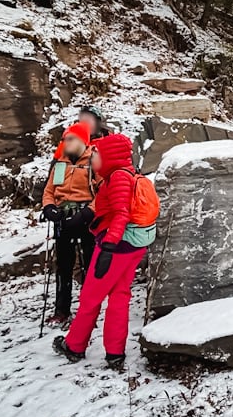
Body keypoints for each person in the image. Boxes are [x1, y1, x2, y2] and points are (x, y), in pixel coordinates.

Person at [53, 132, 159, 371]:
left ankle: (74, 346)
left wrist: (108, 247)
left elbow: (121, 213)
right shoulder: (125, 173)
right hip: (133, 244)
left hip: (118, 245)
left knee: (91, 297)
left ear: (110, 156)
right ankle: (114, 353)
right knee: (120, 296)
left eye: (97, 155)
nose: (93, 159)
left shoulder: (119, 178)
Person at [40, 121, 95, 328]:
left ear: (82, 140)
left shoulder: (94, 162)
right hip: (63, 220)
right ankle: (61, 310)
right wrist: (49, 207)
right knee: (63, 266)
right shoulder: (60, 163)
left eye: (69, 138)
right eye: (63, 139)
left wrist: (89, 212)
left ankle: (88, 310)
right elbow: (49, 191)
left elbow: (104, 193)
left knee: (89, 265)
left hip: (86, 220)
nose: (64, 143)